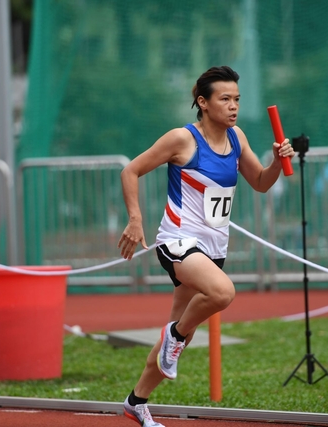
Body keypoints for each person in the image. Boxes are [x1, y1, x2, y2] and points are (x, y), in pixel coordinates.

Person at [117, 66, 294, 427]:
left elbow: (261, 182)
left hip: (213, 250)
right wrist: (135, 219)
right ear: (203, 102)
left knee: (177, 334)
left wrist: (276, 162)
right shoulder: (182, 139)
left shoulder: (237, 138)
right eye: (225, 99)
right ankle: (175, 336)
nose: (234, 106)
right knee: (221, 293)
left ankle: (136, 401)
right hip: (178, 241)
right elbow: (130, 171)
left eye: (237, 99)